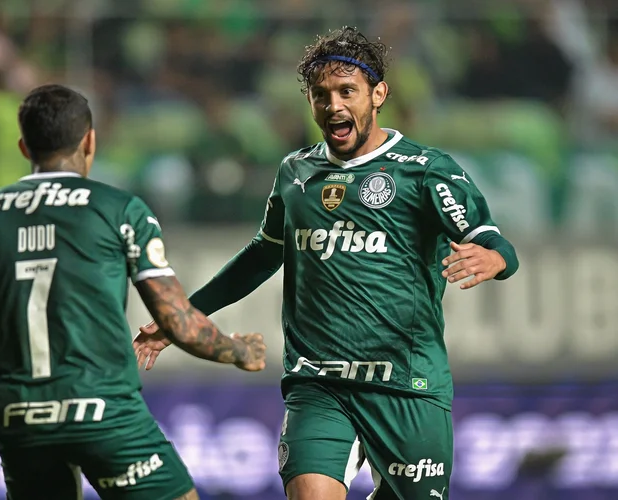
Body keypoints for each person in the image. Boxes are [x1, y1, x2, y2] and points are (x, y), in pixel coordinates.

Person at [133, 27, 519, 500]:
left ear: (378, 94)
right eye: (320, 95)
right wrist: (181, 317)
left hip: (408, 385)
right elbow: (262, 255)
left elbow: (494, 241)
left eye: (347, 91)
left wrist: (493, 258)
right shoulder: (296, 173)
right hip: (320, 383)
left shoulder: (425, 171)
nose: (333, 105)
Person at [0, 83, 267, 500]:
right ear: (89, 140)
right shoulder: (120, 210)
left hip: (20, 419)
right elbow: (178, 323)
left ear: (24, 148)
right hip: (103, 412)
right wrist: (238, 351)